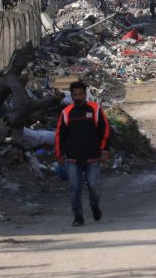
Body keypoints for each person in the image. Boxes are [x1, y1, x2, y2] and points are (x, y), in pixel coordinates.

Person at [55, 80, 111, 227]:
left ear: (85, 94)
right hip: (73, 158)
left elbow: (105, 130)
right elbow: (60, 135)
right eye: (75, 95)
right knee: (75, 187)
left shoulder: (95, 110)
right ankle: (78, 215)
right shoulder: (66, 113)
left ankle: (94, 204)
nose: (78, 97)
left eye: (80, 94)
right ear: (72, 96)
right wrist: (59, 154)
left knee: (93, 185)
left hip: (92, 156)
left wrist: (105, 150)